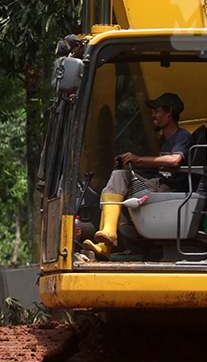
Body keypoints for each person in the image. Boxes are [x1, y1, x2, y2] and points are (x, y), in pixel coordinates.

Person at [82, 92, 193, 261]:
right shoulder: (164, 139)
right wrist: (131, 163)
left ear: (169, 112)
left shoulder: (183, 136)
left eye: (157, 111)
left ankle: (107, 242)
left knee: (120, 179)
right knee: (119, 176)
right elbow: (159, 164)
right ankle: (107, 237)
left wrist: (138, 159)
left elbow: (175, 160)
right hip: (158, 184)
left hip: (169, 190)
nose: (154, 115)